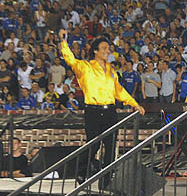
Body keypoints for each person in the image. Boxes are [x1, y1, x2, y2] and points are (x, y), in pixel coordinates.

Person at [58, 29, 145, 184]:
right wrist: (64, 42)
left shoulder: (111, 70)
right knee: (94, 144)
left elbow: (118, 90)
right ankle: (82, 171)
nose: (107, 50)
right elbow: (70, 59)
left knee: (111, 146)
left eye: (108, 48)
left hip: (110, 110)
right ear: (96, 51)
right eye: (104, 48)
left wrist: (134, 103)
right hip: (93, 111)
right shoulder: (85, 67)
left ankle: (106, 179)